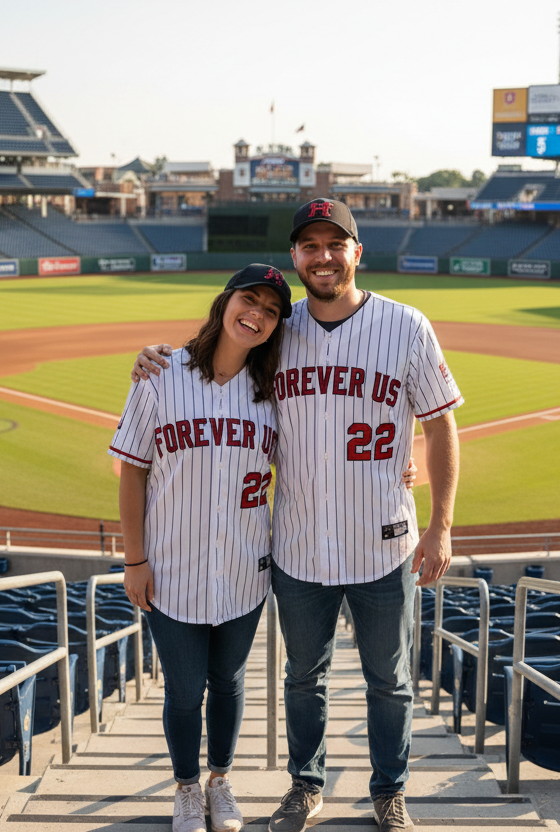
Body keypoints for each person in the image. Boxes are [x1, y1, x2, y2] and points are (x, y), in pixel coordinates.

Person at [133, 198, 462, 832]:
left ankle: (390, 790)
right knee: (302, 679)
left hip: (383, 540)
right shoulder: (279, 332)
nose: (323, 256)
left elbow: (441, 423)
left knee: (390, 681)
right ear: (296, 258)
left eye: (334, 244)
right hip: (300, 546)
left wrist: (440, 525)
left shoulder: (407, 325)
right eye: (310, 246)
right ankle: (305, 786)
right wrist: (154, 358)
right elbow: (216, 359)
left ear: (356, 253)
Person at [111, 264, 291, 832]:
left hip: (243, 569)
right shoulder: (159, 373)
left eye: (270, 309)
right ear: (225, 302)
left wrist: (401, 467)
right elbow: (132, 471)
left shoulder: (274, 393)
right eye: (249, 299)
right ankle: (187, 787)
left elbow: (323, 450)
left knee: (230, 683)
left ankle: (220, 781)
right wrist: (133, 559)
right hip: (170, 570)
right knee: (185, 690)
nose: (257, 314)